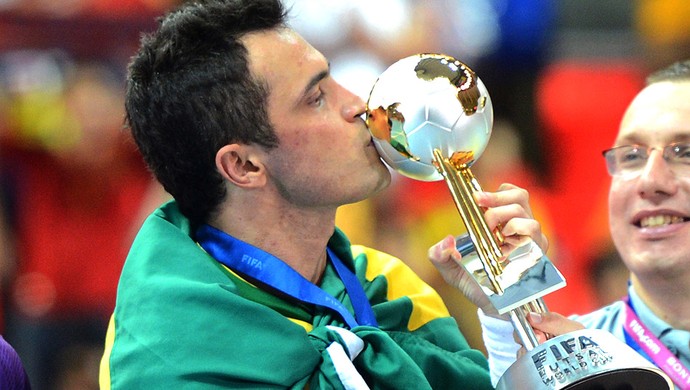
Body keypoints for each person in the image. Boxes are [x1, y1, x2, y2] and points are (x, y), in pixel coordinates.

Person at [99, 0, 549, 388]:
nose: (358, 104)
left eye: (332, 79)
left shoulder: (386, 285)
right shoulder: (164, 344)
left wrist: (507, 313)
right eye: (316, 97)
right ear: (244, 165)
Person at [428, 59, 690, 389]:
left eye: (685, 152)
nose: (649, 179)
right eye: (632, 155)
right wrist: (506, 310)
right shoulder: (573, 350)